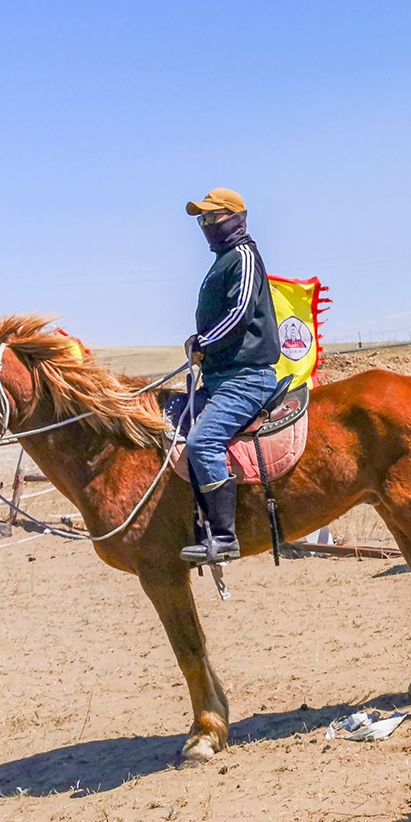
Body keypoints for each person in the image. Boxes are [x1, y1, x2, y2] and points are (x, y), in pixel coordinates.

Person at [179, 188, 282, 565]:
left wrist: (203, 340)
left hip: (246, 376)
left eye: (213, 217)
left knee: (202, 443)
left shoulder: (242, 256)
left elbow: (239, 314)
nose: (207, 225)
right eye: (203, 220)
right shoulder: (222, 260)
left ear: (237, 217)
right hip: (219, 377)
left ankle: (224, 538)